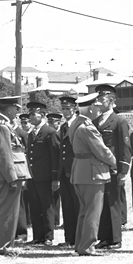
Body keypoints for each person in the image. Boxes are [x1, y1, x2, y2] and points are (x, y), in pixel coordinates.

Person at [69, 93, 117, 256]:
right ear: (90, 109)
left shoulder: (75, 124)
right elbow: (102, 151)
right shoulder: (88, 127)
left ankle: (80, 244)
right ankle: (87, 245)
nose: (98, 109)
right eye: (96, 107)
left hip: (79, 172)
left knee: (84, 210)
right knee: (93, 210)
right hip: (92, 173)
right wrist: (114, 162)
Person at [93, 84, 131, 250]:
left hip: (113, 169)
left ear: (111, 101)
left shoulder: (119, 121)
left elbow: (125, 148)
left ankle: (115, 238)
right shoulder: (95, 121)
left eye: (102, 99)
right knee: (101, 203)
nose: (99, 102)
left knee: (113, 203)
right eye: (98, 99)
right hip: (98, 169)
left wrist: (123, 171)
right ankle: (104, 237)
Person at [0, 97, 30, 255]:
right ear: (8, 109)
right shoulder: (2, 126)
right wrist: (11, 177)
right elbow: (5, 154)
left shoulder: (5, 125)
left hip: (14, 173)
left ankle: (8, 245)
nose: (17, 112)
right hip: (10, 175)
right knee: (7, 211)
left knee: (12, 211)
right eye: (15, 109)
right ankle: (3, 246)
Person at [25, 102, 61, 246]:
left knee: (47, 206)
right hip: (33, 176)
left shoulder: (50, 132)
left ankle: (48, 236)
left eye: (34, 114)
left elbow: (55, 156)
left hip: (45, 177)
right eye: (30, 114)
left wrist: (55, 178)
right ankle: (37, 236)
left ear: (43, 115)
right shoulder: (31, 133)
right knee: (35, 206)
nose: (31, 117)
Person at [57, 97, 80, 247]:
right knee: (67, 205)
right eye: (63, 109)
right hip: (64, 171)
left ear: (74, 109)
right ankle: (69, 238)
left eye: (68, 109)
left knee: (77, 204)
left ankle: (78, 237)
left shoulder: (78, 125)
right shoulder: (64, 126)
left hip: (76, 169)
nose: (65, 112)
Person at [16, 112, 33, 238]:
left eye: (25, 122)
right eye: (22, 122)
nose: (23, 124)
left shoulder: (22, 134)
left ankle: (26, 223)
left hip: (21, 168)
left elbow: (27, 153)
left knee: (23, 199)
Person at [47, 112, 63, 227]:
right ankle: (55, 219)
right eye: (50, 122)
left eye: (54, 122)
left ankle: (56, 219)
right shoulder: (49, 134)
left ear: (59, 123)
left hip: (60, 168)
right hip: (50, 168)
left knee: (57, 196)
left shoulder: (60, 133)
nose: (51, 124)